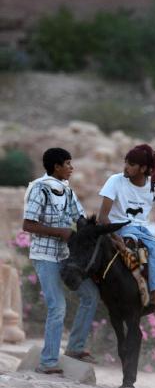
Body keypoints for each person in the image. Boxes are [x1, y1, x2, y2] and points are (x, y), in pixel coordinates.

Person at [22, 148, 100, 373]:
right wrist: (60, 232)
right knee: (57, 307)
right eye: (68, 163)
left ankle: (75, 347)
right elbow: (28, 225)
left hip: (66, 257)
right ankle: (47, 363)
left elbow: (81, 220)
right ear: (56, 167)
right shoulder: (39, 189)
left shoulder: (67, 192)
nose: (71, 168)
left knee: (90, 295)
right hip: (45, 257)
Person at [98, 144, 155, 324]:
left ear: (144, 168)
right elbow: (102, 216)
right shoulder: (115, 181)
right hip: (120, 227)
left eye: (131, 164)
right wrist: (116, 239)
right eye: (126, 162)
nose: (126, 167)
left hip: (142, 231)